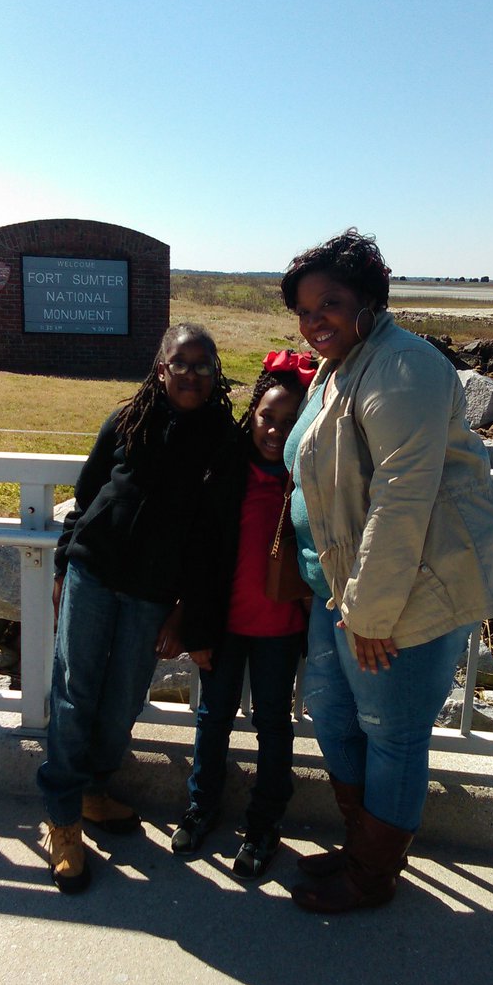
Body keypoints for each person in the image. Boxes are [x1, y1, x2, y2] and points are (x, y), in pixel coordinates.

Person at [280, 229, 493, 915]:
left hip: (408, 588)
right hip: (339, 589)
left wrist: (372, 613)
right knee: (334, 714)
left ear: (368, 300)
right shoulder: (337, 365)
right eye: (303, 308)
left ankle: (374, 877)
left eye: (329, 302)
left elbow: (402, 500)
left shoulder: (402, 366)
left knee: (392, 732)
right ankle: (364, 847)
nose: (313, 319)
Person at [37, 323, 237, 894]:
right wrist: (62, 565)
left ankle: (95, 788)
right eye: (181, 363)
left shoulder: (222, 442)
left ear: (215, 371)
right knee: (75, 691)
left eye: (204, 364)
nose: (192, 373)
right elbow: (88, 492)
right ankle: (64, 815)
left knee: (125, 694)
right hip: (93, 572)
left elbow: (210, 541)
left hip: (153, 593)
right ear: (161, 367)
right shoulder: (126, 421)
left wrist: (184, 613)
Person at [171, 350, 317, 878]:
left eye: (291, 423)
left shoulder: (309, 481)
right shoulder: (225, 469)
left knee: (274, 725)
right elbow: (200, 555)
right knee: (212, 720)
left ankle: (264, 824)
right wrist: (195, 627)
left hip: (282, 629)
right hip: (224, 628)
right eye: (268, 418)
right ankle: (201, 805)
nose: (276, 431)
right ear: (251, 413)